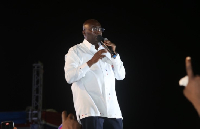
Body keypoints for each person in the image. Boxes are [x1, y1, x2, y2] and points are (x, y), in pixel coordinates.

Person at [64, 19, 126, 129]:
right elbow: (69, 77)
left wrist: (114, 54)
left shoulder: (108, 51)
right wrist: (92, 61)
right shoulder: (76, 51)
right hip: (91, 110)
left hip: (113, 112)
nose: (98, 32)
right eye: (93, 29)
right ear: (84, 32)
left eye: (100, 29)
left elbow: (121, 75)